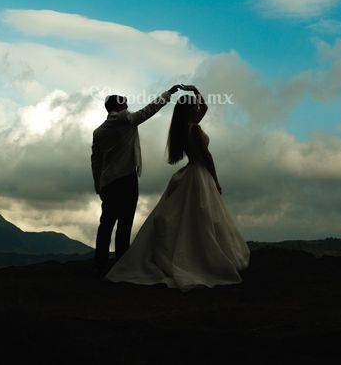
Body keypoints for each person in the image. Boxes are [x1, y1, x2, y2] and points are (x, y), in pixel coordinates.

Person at [105, 85, 250, 291]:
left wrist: (195, 92)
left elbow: (204, 107)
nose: (198, 107)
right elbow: (207, 157)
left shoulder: (183, 129)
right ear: (191, 109)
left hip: (190, 172)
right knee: (204, 217)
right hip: (200, 174)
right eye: (194, 106)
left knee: (189, 217)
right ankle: (203, 257)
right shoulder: (195, 128)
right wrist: (216, 180)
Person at [90, 84, 185, 277]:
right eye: (124, 102)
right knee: (125, 223)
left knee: (106, 223)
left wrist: (98, 184)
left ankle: (99, 264)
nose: (128, 105)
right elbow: (149, 110)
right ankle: (121, 264)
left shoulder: (98, 131)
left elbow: (96, 161)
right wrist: (168, 93)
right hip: (125, 179)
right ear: (117, 106)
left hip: (107, 182)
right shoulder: (125, 119)